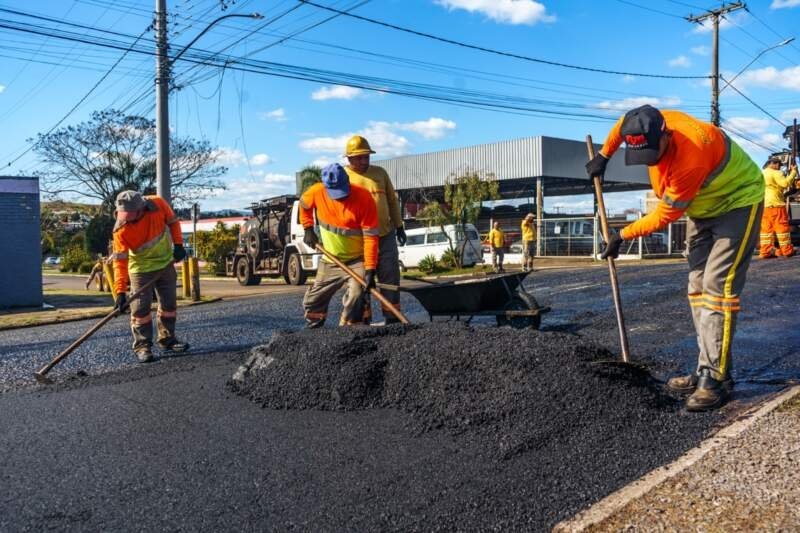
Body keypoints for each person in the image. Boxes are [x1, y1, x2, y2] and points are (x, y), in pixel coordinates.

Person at [586, 105, 764, 412]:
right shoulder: (641, 123)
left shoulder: (691, 156)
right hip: (702, 209)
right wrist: (604, 154)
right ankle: (706, 365)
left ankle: (715, 378)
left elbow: (664, 215)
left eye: (654, 152)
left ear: (666, 134)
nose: (650, 161)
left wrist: (621, 235)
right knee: (696, 286)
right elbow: (620, 125)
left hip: (737, 202)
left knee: (717, 287)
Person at [111, 191, 189, 363]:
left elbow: (173, 223)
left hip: (165, 262)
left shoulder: (158, 204)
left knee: (169, 305)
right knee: (140, 309)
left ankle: (168, 339)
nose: (127, 219)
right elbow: (120, 263)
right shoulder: (120, 230)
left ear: (142, 209)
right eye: (124, 215)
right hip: (140, 269)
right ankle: (142, 346)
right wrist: (120, 292)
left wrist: (178, 245)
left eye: (131, 215)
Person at [300, 163, 380, 328]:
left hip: (357, 259)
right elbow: (303, 205)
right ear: (326, 187)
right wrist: (308, 228)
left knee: (358, 294)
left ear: (348, 181)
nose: (341, 197)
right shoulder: (316, 192)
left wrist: (370, 268)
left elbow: (371, 237)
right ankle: (314, 325)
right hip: (330, 258)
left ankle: (350, 329)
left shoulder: (364, 198)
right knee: (314, 300)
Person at [343, 135, 407, 324]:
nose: (364, 161)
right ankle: (363, 321)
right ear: (349, 158)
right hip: (359, 239)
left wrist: (399, 226)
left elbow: (392, 201)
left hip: (385, 235)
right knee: (363, 281)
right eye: (360, 157)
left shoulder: (380, 173)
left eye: (367, 156)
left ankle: (392, 317)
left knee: (390, 278)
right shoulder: (344, 177)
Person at [759, 156, 797, 258]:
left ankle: (765, 252)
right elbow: (785, 184)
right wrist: (793, 172)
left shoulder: (761, 173)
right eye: (779, 165)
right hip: (776, 204)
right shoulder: (775, 172)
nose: (780, 168)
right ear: (774, 164)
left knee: (766, 230)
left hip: (764, 205)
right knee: (782, 227)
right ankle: (787, 251)